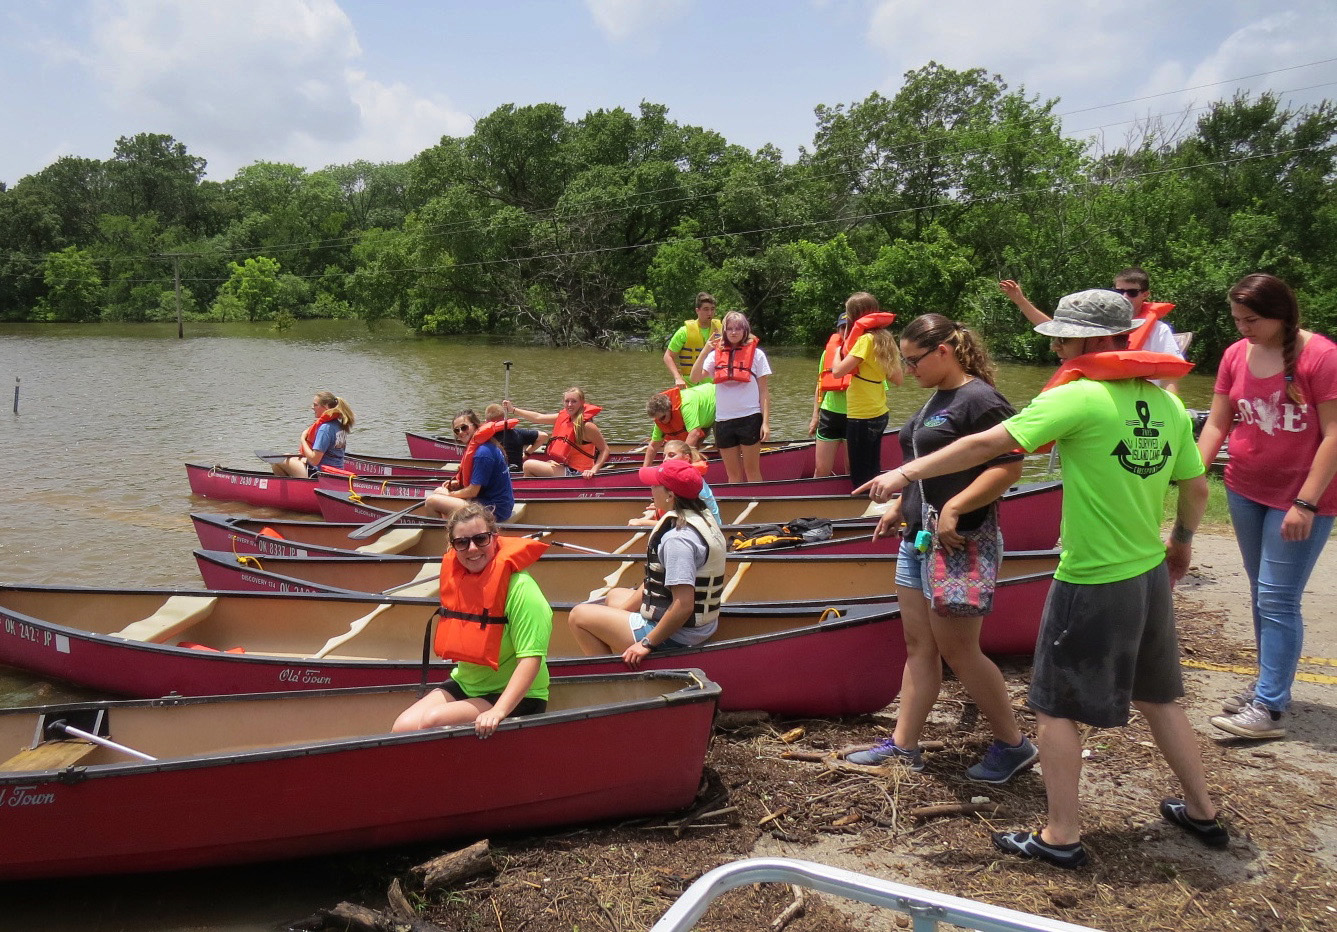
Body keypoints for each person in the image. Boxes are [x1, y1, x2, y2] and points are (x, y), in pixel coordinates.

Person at [856, 289, 1225, 868]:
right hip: (1147, 571)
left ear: (1086, 339)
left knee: (1054, 709)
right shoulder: (1167, 404)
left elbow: (988, 444)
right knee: (1161, 698)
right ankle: (1202, 811)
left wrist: (905, 472)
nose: (1055, 344)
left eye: (1062, 336)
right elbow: (1196, 485)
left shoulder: (1081, 396)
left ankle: (1061, 835)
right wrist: (1180, 543)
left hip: (1091, 576)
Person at [844, 314, 1035, 783]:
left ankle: (1014, 745)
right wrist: (902, 508)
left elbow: (1010, 466)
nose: (909, 370)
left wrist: (956, 507)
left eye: (914, 361)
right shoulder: (939, 397)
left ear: (943, 352)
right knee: (919, 646)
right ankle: (904, 747)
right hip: (917, 538)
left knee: (960, 651)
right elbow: (925, 464)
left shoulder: (980, 399)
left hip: (960, 542)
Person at [1198, 273, 1337, 741]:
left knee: (1278, 598)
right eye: (1237, 318)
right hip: (1243, 488)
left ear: (1282, 315)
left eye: (1251, 319)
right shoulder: (1236, 354)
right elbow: (1218, 422)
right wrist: (1191, 473)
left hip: (1300, 498)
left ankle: (1270, 710)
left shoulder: (1322, 356)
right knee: (1263, 593)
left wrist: (1306, 502)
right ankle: (1267, 687)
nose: (1242, 328)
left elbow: (1335, 435)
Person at [393, 504, 551, 737]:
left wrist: (498, 711)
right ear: (453, 546)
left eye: (480, 539)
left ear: (494, 538)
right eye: (462, 542)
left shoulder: (522, 589)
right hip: (468, 684)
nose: (472, 548)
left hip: (519, 695)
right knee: (402, 727)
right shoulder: (461, 582)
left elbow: (531, 659)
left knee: (433, 721)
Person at [568, 458, 727, 662]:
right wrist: (619, 614)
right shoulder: (701, 516)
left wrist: (646, 643)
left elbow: (683, 605)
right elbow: (657, 581)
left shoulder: (678, 539)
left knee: (578, 615)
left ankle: (613, 676)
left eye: (655, 485)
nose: (650, 489)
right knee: (614, 596)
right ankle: (620, 649)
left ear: (671, 495)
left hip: (681, 635)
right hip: (698, 625)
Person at [1000, 267, 1185, 392]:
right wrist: (1021, 301)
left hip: (1137, 395)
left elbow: (1170, 376)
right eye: (1120, 292)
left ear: (1145, 295)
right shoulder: (1098, 321)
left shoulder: (1159, 330)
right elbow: (1060, 331)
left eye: (1132, 292)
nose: (1125, 296)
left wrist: (1172, 410)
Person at [828, 293, 903, 490]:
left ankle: (865, 508)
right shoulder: (886, 339)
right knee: (872, 468)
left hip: (861, 416)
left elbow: (837, 372)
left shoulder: (865, 340)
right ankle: (876, 503)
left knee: (860, 474)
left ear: (854, 316)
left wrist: (837, 352)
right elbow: (898, 379)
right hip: (880, 413)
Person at [690, 311, 771, 483]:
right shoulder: (714, 355)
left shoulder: (757, 355)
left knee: (752, 472)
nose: (734, 332)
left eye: (738, 328)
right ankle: (738, 504)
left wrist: (765, 423)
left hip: (750, 417)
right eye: (730, 329)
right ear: (725, 331)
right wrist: (705, 351)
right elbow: (694, 378)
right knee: (733, 475)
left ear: (745, 331)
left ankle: (758, 503)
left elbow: (764, 391)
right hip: (724, 420)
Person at [423, 410, 515, 522]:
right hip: (498, 505)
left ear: (476, 426)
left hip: (494, 510)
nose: (461, 432)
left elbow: (473, 492)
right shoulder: (486, 445)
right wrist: (457, 484)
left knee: (431, 501)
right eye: (457, 430)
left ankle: (442, 537)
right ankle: (456, 530)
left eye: (464, 427)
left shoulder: (483, 453)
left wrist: (450, 494)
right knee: (439, 491)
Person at [505, 388, 610, 479]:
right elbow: (538, 417)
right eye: (567, 401)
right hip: (567, 467)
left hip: (579, 473)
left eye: (574, 401)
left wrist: (594, 470)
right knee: (548, 463)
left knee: (528, 465)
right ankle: (534, 493)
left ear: (582, 402)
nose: (569, 405)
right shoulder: (565, 418)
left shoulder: (587, 426)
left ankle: (527, 492)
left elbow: (604, 449)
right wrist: (513, 410)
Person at [630, 440, 722, 526]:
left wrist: (643, 522)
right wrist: (664, 504)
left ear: (686, 458)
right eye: (664, 456)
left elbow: (685, 523)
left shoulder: (688, 482)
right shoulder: (684, 480)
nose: (665, 459)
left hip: (709, 529)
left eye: (671, 455)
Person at [272, 391, 355, 478]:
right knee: (287, 456)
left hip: (320, 474)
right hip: (336, 470)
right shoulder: (339, 425)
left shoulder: (325, 429)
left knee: (276, 461)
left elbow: (314, 460)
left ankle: (297, 488)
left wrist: (303, 439)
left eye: (315, 405)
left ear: (326, 407)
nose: (312, 408)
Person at [809, 312, 851, 478]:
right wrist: (815, 416)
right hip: (830, 414)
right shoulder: (828, 353)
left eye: (849, 327)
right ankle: (813, 502)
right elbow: (820, 385)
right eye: (842, 327)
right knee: (821, 469)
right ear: (837, 329)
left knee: (851, 468)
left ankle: (853, 502)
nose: (845, 331)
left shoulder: (864, 352)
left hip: (855, 415)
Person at [643, 382, 715, 468]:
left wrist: (679, 464)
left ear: (670, 409)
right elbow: (654, 445)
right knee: (692, 447)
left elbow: (694, 433)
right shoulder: (660, 418)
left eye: (662, 418)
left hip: (716, 403)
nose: (660, 422)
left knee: (722, 446)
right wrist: (645, 469)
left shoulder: (686, 405)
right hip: (702, 417)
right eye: (657, 419)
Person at [663, 292, 724, 387]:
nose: (710, 313)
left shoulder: (722, 330)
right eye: (706, 309)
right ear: (697, 311)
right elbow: (668, 356)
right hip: (690, 384)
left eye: (712, 309)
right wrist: (677, 377)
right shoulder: (684, 331)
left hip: (714, 383)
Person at [483, 403, 547, 472]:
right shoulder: (518, 433)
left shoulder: (483, 437)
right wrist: (527, 454)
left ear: (486, 422)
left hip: (496, 475)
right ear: (505, 419)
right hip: (517, 472)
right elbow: (543, 436)